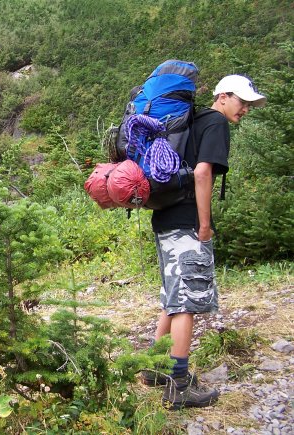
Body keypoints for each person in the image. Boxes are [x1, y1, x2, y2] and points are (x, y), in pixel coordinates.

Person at [142, 74, 266, 409]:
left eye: (249, 105)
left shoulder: (189, 120)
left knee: (173, 294)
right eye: (242, 103)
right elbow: (201, 173)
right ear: (223, 96)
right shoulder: (215, 123)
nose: (245, 110)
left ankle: (156, 368)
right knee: (188, 300)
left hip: (165, 217)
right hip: (186, 221)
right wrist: (205, 224)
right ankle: (178, 384)